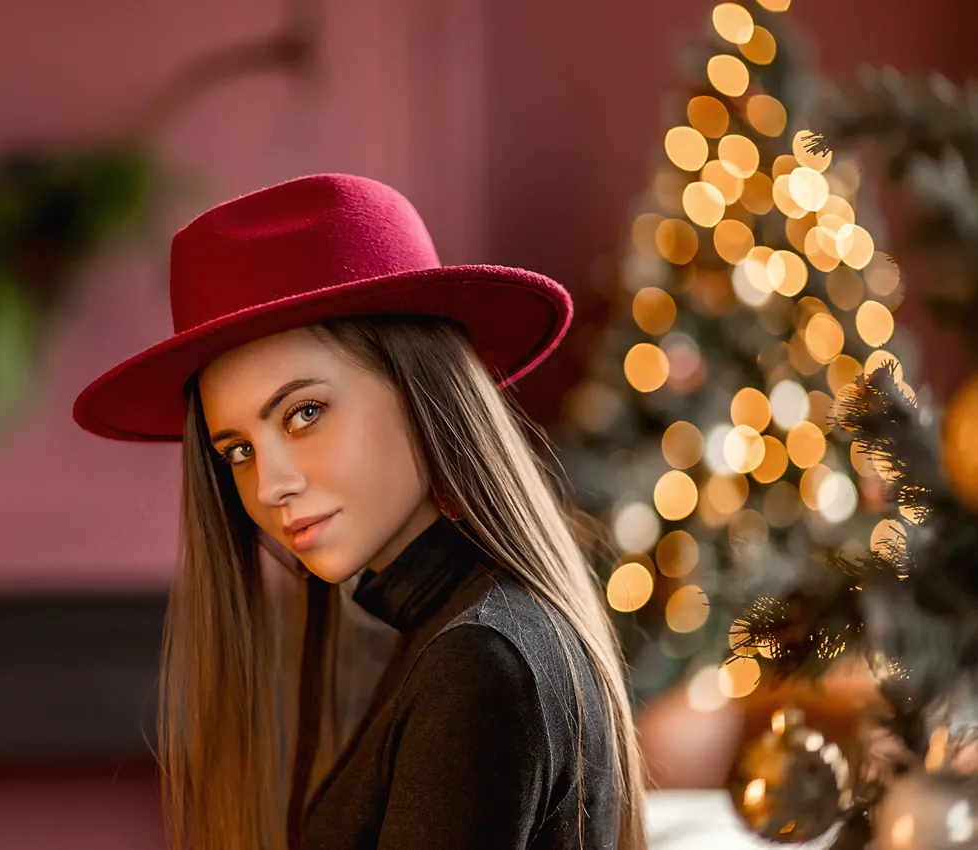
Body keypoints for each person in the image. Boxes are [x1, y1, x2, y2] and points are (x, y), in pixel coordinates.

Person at [72, 173, 646, 850]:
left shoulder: (479, 661)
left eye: (304, 413)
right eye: (237, 451)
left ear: (421, 389)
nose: (269, 485)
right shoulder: (459, 634)